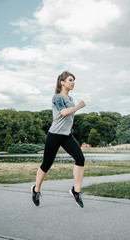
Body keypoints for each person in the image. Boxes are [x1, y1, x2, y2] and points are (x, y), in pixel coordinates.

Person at [31, 71, 86, 208]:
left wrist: (75, 105)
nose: (73, 83)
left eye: (74, 80)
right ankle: (36, 190)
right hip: (54, 135)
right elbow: (63, 112)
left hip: (66, 135)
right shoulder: (57, 98)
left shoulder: (70, 99)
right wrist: (79, 106)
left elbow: (69, 114)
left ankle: (76, 191)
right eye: (70, 80)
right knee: (46, 164)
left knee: (80, 159)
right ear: (62, 82)